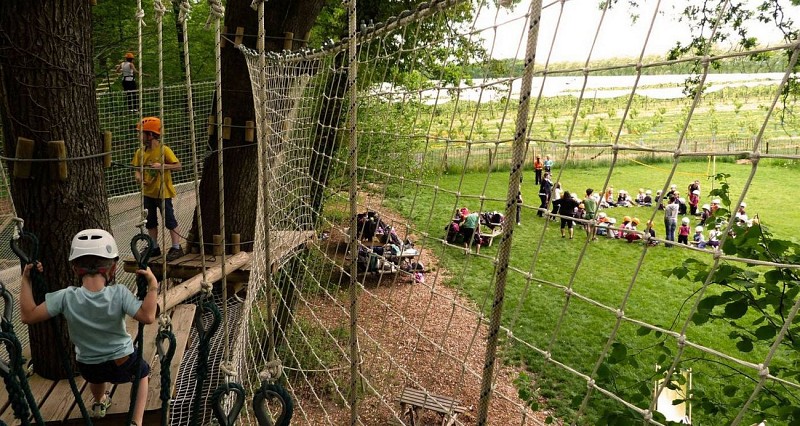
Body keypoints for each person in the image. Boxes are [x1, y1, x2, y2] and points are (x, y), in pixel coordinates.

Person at [19, 229, 158, 426]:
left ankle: (100, 402)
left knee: (97, 376)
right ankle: (136, 421)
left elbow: (28, 315)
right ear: (113, 268)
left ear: (75, 269)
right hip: (122, 361)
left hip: (88, 365)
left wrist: (26, 279)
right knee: (142, 373)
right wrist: (153, 286)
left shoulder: (66, 297)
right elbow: (148, 316)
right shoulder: (119, 293)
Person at [132, 117, 184, 261]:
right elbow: (137, 168)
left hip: (163, 193)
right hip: (148, 193)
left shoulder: (164, 150)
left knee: (169, 220)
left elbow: (178, 166)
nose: (138, 136)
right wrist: (138, 176)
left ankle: (176, 247)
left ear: (150, 135)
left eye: (141, 133)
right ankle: (154, 247)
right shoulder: (140, 152)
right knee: (151, 221)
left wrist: (162, 166)